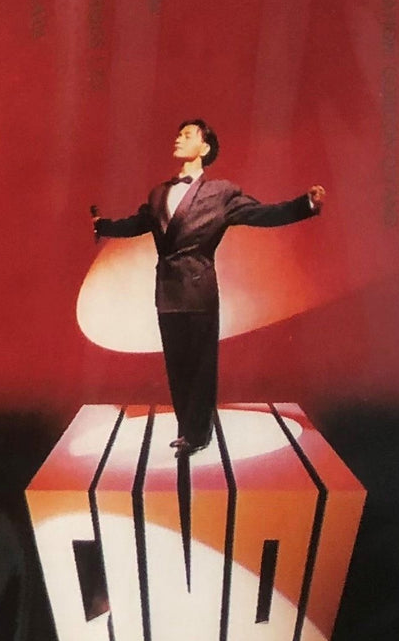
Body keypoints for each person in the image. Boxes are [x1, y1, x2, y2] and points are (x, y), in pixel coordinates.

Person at [93, 119, 326, 456]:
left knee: (201, 367)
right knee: (176, 366)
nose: (178, 138)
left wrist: (305, 205)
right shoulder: (158, 193)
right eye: (178, 133)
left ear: (204, 147)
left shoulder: (221, 193)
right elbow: (136, 223)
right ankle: (188, 431)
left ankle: (199, 435)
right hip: (167, 292)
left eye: (187, 135)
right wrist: (102, 226)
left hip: (199, 290)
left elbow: (263, 214)